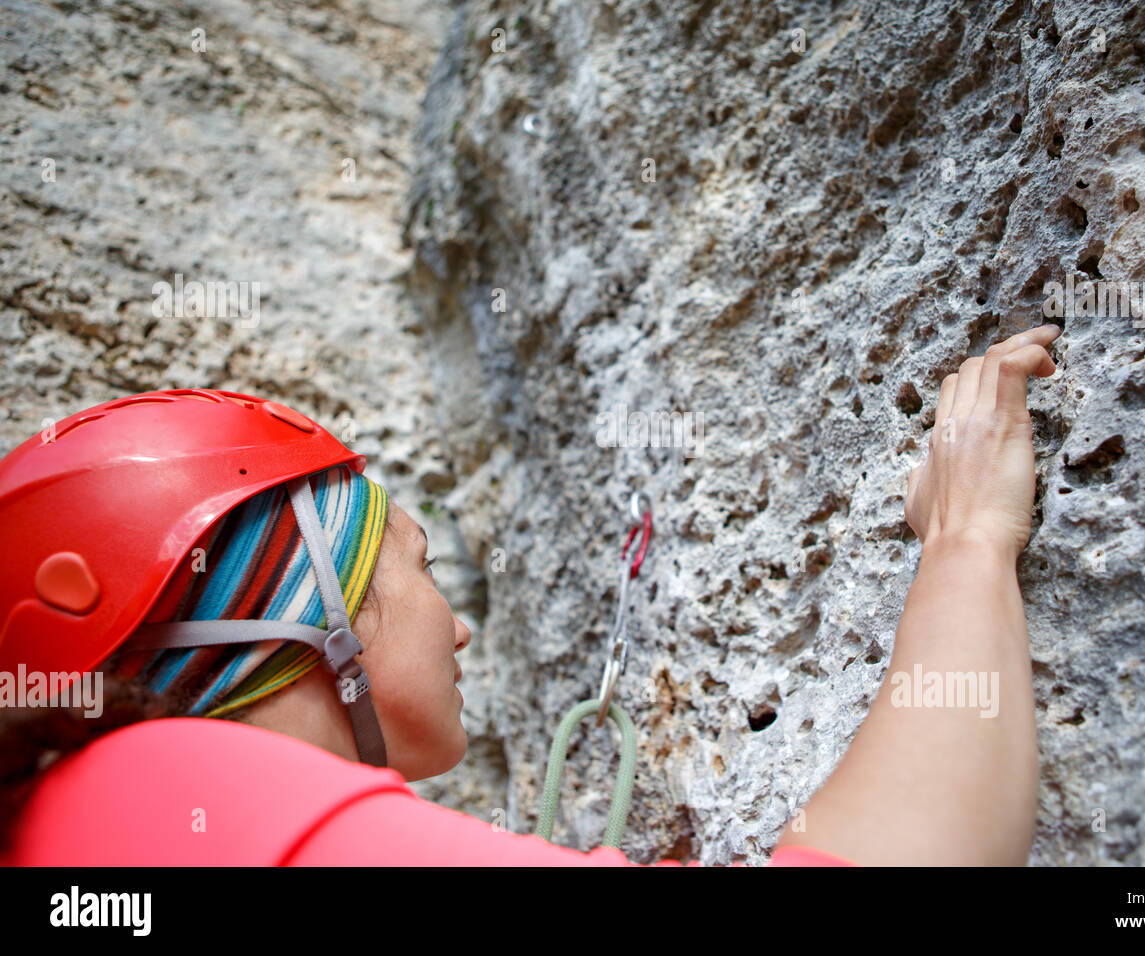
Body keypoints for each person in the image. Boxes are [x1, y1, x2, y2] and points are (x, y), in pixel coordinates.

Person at [0, 324, 1059, 866]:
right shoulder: (156, 788)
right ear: (300, 597)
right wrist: (967, 536)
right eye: (417, 563)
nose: (457, 621)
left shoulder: (89, 820)